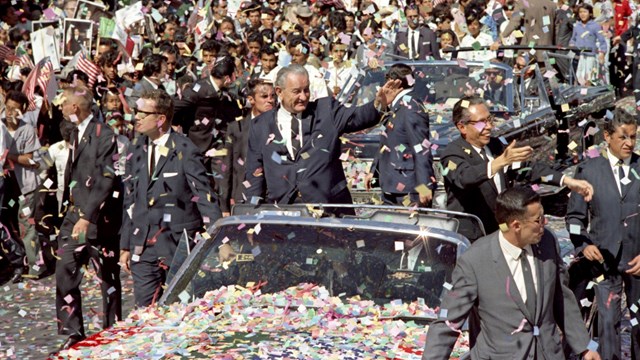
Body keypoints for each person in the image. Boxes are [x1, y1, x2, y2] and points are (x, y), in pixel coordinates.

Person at [423, 186, 601, 360]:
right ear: (515, 225)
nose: (544, 223)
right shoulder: (475, 260)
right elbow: (448, 323)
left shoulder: (547, 241)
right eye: (538, 220)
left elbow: (562, 297)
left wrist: (585, 346)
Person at [244, 64, 401, 209]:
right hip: (283, 209)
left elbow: (358, 117)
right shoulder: (261, 125)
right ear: (279, 92)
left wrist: (379, 104)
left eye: (306, 90)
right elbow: (254, 173)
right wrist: (252, 211)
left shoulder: (326, 111)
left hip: (327, 209)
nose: (304, 97)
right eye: (296, 91)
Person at [119, 89, 222, 307]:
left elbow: (204, 196)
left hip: (176, 245)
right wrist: (126, 246)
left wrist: (218, 239)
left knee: (179, 308)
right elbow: (130, 200)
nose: (135, 117)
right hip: (143, 245)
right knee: (144, 310)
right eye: (136, 111)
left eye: (142, 113)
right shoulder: (135, 149)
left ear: (160, 119)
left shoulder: (185, 149)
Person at [441, 96, 593, 241]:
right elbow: (464, 177)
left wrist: (566, 181)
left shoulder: (494, 146)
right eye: (481, 123)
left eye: (489, 120)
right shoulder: (453, 153)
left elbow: (527, 169)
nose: (489, 127)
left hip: (501, 231)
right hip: (472, 237)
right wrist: (500, 162)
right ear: (462, 127)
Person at [566, 108, 640, 360]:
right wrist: (583, 245)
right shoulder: (588, 171)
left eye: (633, 137)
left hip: (637, 263)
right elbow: (574, 219)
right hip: (602, 263)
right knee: (608, 326)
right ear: (607, 136)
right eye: (623, 137)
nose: (629, 143)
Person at [53, 85, 121, 352]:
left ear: (75, 108)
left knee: (107, 276)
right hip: (73, 216)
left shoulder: (104, 135)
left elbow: (107, 179)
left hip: (98, 219)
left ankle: (113, 330)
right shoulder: (74, 131)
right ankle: (73, 331)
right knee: (64, 270)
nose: (60, 108)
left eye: (63, 104)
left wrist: (88, 216)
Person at [369, 64, 435, 206]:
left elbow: (421, 147)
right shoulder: (394, 105)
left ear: (394, 82)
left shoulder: (412, 107)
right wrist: (374, 171)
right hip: (390, 184)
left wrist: (424, 186)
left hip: (409, 189)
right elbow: (386, 141)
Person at [3, 91, 44, 278]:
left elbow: (29, 159)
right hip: (6, 186)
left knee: (26, 225)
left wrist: (7, 156)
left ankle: (36, 265)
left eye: (16, 110)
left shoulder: (27, 129)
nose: (11, 113)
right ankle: (16, 261)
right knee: (8, 225)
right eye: (9, 108)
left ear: (24, 110)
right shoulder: (1, 126)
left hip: (25, 186)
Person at [220, 79, 276, 215]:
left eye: (273, 96)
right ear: (251, 99)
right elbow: (227, 168)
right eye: (264, 96)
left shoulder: (280, 126)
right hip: (243, 198)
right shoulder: (236, 128)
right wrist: (224, 206)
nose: (270, 100)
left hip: (273, 199)